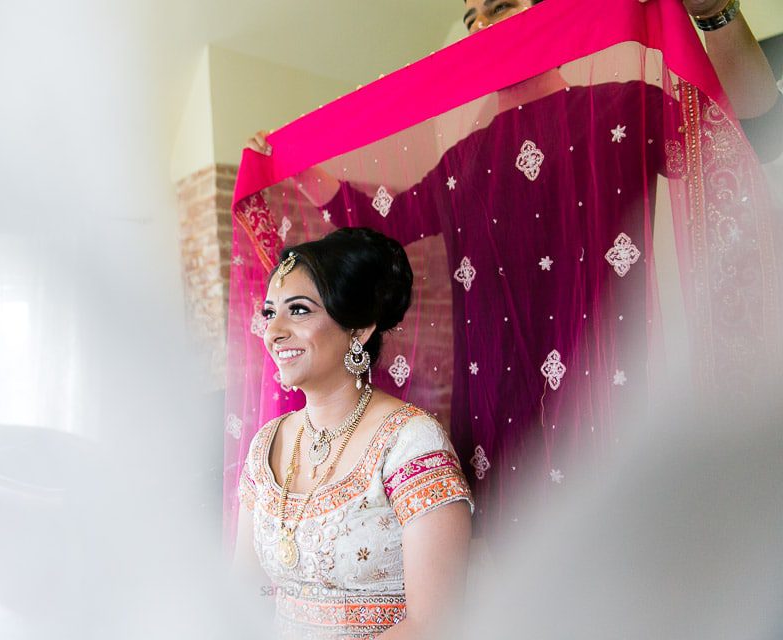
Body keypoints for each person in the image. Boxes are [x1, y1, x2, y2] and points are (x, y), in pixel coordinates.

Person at [241, 0, 782, 536]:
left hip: (608, 381)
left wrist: (716, 15)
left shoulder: (622, 105)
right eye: (471, 19)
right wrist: (291, 163)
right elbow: (385, 220)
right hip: (497, 397)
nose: (483, 28)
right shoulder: (466, 158)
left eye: (500, 7)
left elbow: (747, 131)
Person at [232, 228, 475, 639]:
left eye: (300, 310)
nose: (273, 332)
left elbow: (434, 624)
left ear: (359, 329)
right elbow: (243, 594)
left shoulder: (410, 444)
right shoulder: (265, 445)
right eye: (271, 313)